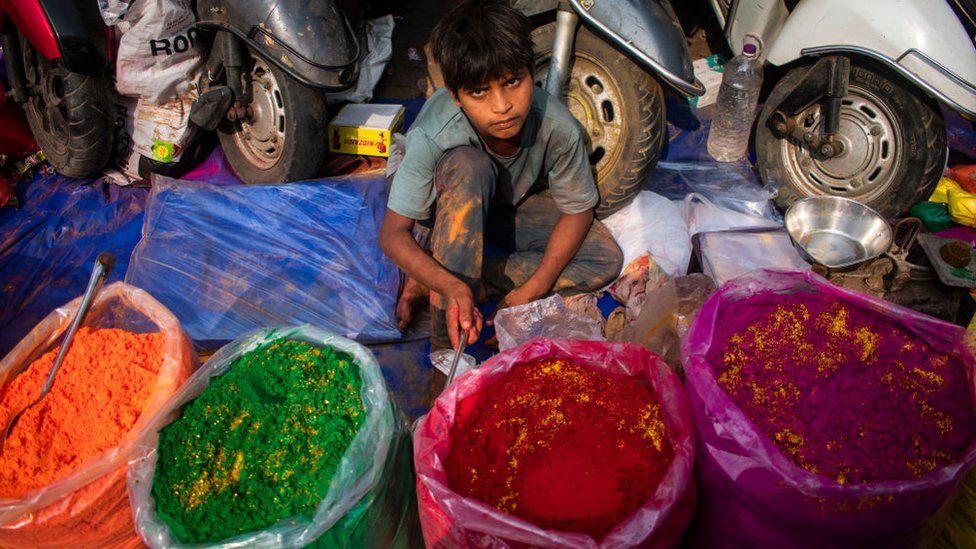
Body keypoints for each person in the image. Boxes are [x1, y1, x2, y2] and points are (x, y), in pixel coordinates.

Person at [378, 0, 623, 358]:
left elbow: (578, 211)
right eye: (479, 92)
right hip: (444, 209)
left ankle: (463, 279)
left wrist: (529, 291)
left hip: (505, 205)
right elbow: (393, 232)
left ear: (530, 72)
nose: (502, 106)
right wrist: (449, 284)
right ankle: (447, 351)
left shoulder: (557, 127)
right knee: (468, 166)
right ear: (457, 97)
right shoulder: (434, 133)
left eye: (512, 82)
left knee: (603, 258)